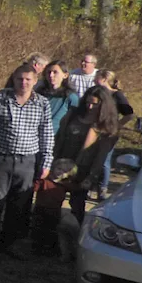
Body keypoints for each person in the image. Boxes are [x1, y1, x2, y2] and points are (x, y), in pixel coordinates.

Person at [0, 63, 54, 258]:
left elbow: (47, 134)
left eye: (28, 79)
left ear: (35, 81)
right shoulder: (0, 99)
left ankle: (11, 243)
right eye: (20, 78)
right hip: (1, 157)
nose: (23, 83)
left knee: (20, 203)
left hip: (28, 160)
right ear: (14, 79)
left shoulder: (42, 103)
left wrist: (46, 162)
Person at [52, 85, 120, 220]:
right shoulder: (73, 115)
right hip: (61, 165)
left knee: (77, 205)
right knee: (53, 200)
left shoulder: (107, 126)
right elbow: (59, 138)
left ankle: (79, 233)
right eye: (88, 102)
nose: (90, 107)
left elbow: (101, 157)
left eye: (94, 104)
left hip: (83, 170)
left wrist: (91, 177)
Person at [92, 69, 133, 199]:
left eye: (96, 77)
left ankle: (102, 189)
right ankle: (89, 186)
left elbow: (129, 114)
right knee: (91, 159)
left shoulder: (117, 95)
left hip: (109, 132)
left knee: (104, 160)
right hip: (93, 130)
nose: (94, 80)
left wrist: (117, 126)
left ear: (104, 79)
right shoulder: (96, 93)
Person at [37, 60, 78, 135]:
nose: (51, 75)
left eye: (55, 72)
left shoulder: (70, 97)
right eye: (49, 72)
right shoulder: (38, 94)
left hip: (58, 137)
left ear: (65, 75)